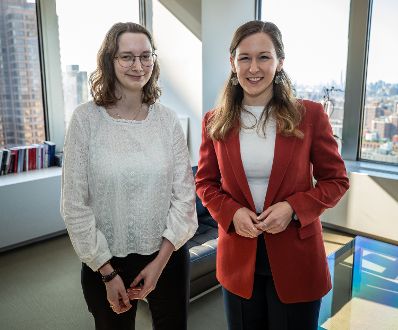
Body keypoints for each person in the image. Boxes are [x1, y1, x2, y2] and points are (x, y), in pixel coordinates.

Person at [195, 20, 349, 330]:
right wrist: (232, 212)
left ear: (279, 62)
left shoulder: (309, 116)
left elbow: (336, 181)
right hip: (238, 256)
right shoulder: (215, 121)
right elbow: (205, 182)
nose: (254, 67)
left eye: (264, 56)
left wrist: (294, 208)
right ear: (232, 63)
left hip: (297, 256)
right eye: (245, 57)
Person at [61, 22, 198, 330]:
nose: (138, 65)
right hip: (106, 264)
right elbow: (74, 205)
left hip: (168, 255)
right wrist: (107, 273)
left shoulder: (167, 120)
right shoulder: (86, 120)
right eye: (127, 57)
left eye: (145, 56)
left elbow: (184, 198)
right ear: (110, 61)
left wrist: (160, 264)